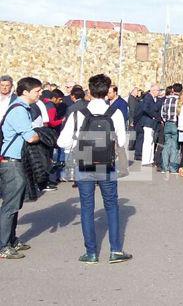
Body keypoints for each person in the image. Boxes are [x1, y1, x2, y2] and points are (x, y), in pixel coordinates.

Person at [57, 74, 132, 264]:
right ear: (108, 91)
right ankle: (115, 250)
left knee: (87, 207)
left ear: (89, 91)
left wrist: (77, 143)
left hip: (84, 163)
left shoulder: (77, 113)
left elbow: (62, 141)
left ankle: (91, 252)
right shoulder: (115, 113)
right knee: (112, 206)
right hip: (107, 164)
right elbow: (122, 141)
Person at [0, 77, 42, 259]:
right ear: (25, 92)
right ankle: (3, 246)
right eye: (37, 91)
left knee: (15, 203)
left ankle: (11, 239)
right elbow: (30, 137)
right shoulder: (19, 111)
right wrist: (41, 135)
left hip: (15, 161)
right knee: (10, 206)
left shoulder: (21, 108)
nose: (40, 94)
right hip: (11, 162)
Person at [161, 83, 182, 174]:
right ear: (181, 91)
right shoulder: (179, 100)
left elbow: (162, 113)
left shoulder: (166, 100)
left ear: (172, 89)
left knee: (166, 146)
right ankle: (173, 168)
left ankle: (164, 167)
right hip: (175, 123)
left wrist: (165, 120)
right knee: (175, 146)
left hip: (167, 123)